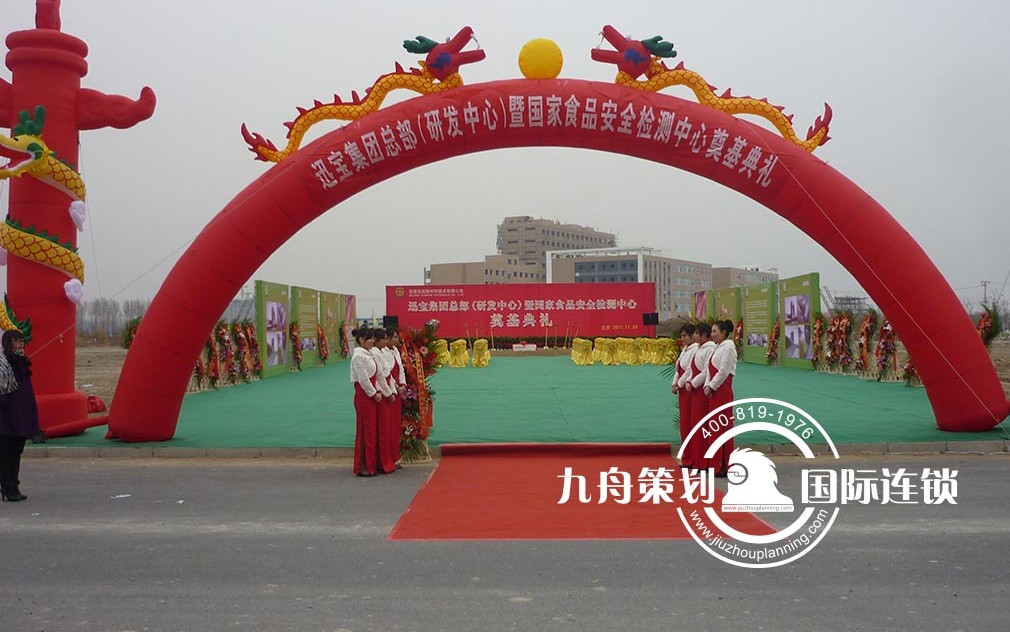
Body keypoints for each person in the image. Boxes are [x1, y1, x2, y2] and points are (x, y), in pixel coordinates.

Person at [0, 330, 39, 502]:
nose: (20, 344)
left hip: (20, 415)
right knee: (6, 452)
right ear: (8, 343)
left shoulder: (22, 362)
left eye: (21, 340)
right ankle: (8, 487)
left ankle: (13, 484)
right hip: (5, 417)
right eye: (16, 341)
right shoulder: (3, 363)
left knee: (16, 452)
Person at [702, 319, 738, 477]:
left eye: (715, 331)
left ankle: (724, 464)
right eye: (712, 332)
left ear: (724, 333)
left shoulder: (729, 347)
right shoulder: (717, 348)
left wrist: (712, 386)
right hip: (714, 392)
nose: (713, 334)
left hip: (722, 391)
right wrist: (707, 385)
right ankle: (715, 463)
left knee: (722, 427)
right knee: (714, 427)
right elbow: (709, 369)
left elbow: (723, 371)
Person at [349, 328, 381, 477]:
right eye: (369, 339)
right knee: (364, 430)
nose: (372, 342)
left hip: (371, 394)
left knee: (371, 430)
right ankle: (363, 466)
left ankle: (371, 463)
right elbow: (363, 379)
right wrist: (373, 394)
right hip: (364, 397)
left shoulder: (368, 354)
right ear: (361, 340)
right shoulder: (358, 357)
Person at [685, 322, 716, 472]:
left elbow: (706, 371)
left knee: (701, 425)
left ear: (704, 335)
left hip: (701, 392)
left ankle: (703, 461)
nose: (695, 336)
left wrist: (694, 383)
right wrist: (688, 381)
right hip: (695, 391)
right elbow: (692, 368)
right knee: (694, 424)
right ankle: (696, 459)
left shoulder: (710, 349)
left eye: (697, 333)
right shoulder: (699, 349)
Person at [370, 328, 396, 474]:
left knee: (386, 429)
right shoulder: (374, 354)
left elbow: (388, 374)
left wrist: (393, 390)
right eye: (385, 339)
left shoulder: (382, 352)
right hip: (381, 394)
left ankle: (386, 460)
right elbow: (379, 377)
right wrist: (387, 393)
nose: (387, 341)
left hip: (387, 390)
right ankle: (381, 462)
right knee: (382, 429)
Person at [671, 324, 697, 468]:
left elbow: (689, 371)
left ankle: (692, 457)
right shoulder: (685, 350)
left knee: (689, 423)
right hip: (682, 390)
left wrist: (679, 384)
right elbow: (678, 369)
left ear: (693, 336)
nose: (682, 339)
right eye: (681, 336)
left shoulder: (695, 350)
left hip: (689, 389)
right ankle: (687, 456)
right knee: (684, 424)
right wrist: (674, 383)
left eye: (685, 336)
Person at [386, 328, 407, 469]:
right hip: (390, 392)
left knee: (396, 425)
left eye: (397, 337)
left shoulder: (396, 351)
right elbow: (386, 373)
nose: (396, 340)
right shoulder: (383, 353)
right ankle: (389, 457)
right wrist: (395, 387)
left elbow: (400, 370)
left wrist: (403, 383)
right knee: (389, 425)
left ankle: (396, 456)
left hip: (398, 391)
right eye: (394, 337)